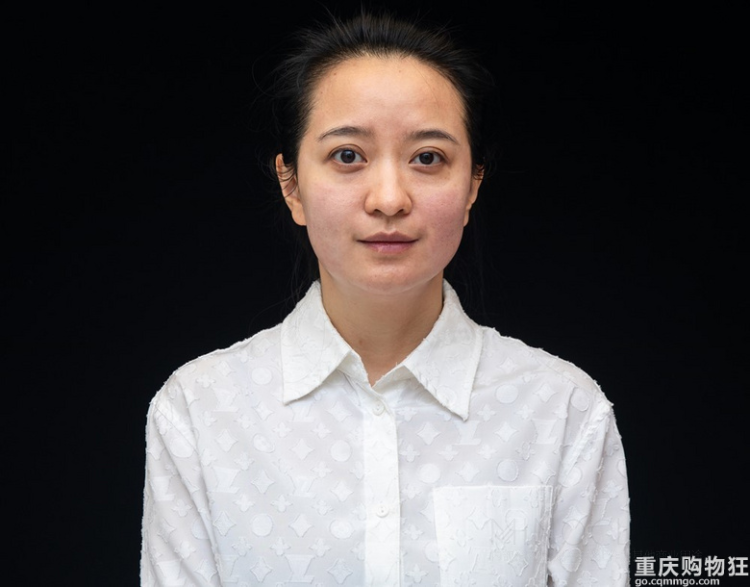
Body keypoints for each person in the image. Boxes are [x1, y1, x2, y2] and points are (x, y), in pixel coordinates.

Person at [140, 10, 630, 587]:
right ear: (291, 185)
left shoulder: (563, 411)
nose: (390, 199)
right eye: (348, 155)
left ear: (473, 184)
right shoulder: (200, 411)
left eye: (428, 158)